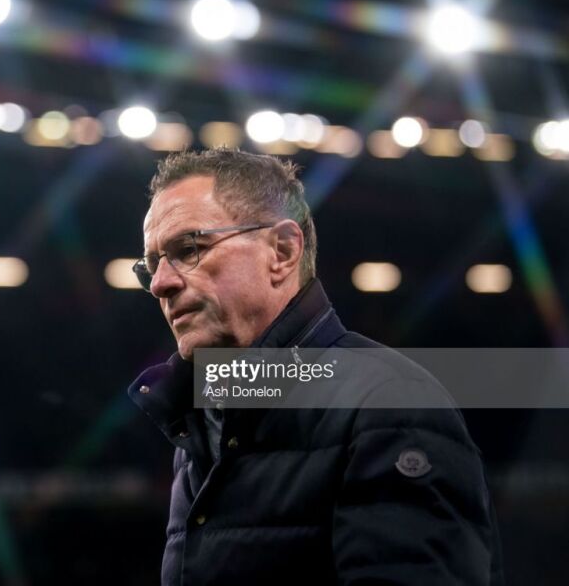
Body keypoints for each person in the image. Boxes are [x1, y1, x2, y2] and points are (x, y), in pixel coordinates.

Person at [127, 149, 503, 585]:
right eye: (151, 266)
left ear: (282, 251)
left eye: (189, 248)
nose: (161, 283)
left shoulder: (390, 407)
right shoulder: (203, 422)